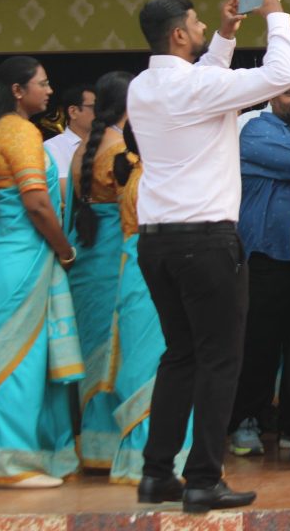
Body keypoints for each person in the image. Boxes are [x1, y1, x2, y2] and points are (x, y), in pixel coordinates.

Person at [128, 0, 290, 512]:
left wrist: (224, 35)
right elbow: (281, 74)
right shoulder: (198, 87)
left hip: (157, 241)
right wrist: (276, 16)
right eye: (198, 24)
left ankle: (157, 474)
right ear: (179, 36)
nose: (204, 28)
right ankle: (203, 478)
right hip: (205, 241)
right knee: (220, 359)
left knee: (180, 356)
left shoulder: (141, 87)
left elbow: (205, 80)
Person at [0, 56, 82, 488]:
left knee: (6, 356)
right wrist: (66, 251)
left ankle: (20, 454)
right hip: (20, 257)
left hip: (0, 252)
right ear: (18, 91)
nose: (50, 90)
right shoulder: (18, 131)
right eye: (42, 83)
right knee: (17, 360)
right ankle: (11, 463)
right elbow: (38, 204)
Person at [227, 74, 290, 457]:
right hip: (265, 256)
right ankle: (244, 421)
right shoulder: (256, 131)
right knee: (259, 345)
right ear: (272, 97)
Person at [108, 123, 192, 484]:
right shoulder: (152, 180)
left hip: (136, 269)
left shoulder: (137, 174)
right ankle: (158, 457)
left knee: (146, 362)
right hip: (151, 274)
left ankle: (139, 456)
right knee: (158, 363)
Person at [68, 70, 134, 470]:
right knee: (117, 345)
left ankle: (93, 444)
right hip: (114, 251)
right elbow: (133, 203)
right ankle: (114, 443)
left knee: (93, 343)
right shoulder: (121, 149)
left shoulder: (83, 147)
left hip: (86, 249)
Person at [43, 82, 95, 195]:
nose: (99, 113)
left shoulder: (106, 141)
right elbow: (64, 190)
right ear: (73, 112)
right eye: (93, 107)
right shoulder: (53, 146)